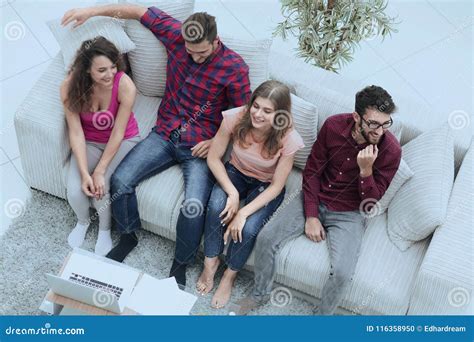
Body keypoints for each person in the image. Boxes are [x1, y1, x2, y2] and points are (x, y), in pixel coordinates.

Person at [62, 4, 251, 287]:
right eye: (190, 52)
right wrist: (91, 12)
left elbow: (242, 113)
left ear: (216, 41)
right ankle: (128, 236)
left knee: (194, 204)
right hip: (164, 133)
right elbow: (137, 11)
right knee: (122, 179)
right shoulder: (176, 36)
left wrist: (215, 141)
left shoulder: (234, 68)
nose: (195, 58)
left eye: (202, 52)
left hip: (199, 146)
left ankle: (180, 264)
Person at [234, 85, 402, 315]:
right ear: (356, 117)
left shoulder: (391, 151)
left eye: (385, 124)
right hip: (315, 194)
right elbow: (313, 171)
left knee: (342, 272)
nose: (379, 131)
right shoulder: (333, 126)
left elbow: (371, 202)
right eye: (373, 124)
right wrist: (311, 215)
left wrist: (366, 172)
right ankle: (259, 294)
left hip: (350, 212)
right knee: (266, 237)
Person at [196, 80, 304, 308]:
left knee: (249, 227)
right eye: (256, 106)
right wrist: (233, 194)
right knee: (217, 205)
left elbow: (276, 186)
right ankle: (211, 262)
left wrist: (242, 212)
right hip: (235, 172)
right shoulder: (236, 117)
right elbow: (214, 158)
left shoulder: (289, 138)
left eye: (267, 111)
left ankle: (229, 275)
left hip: (265, 184)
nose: (258, 114)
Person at [61, 36, 140, 256]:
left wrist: (99, 170)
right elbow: (75, 132)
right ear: (86, 69)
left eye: (113, 66)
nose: (110, 74)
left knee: (101, 185)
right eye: (102, 70)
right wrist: (86, 172)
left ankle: (104, 230)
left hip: (123, 139)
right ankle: (83, 221)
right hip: (89, 141)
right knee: (76, 190)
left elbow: (118, 131)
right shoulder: (69, 87)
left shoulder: (125, 85)